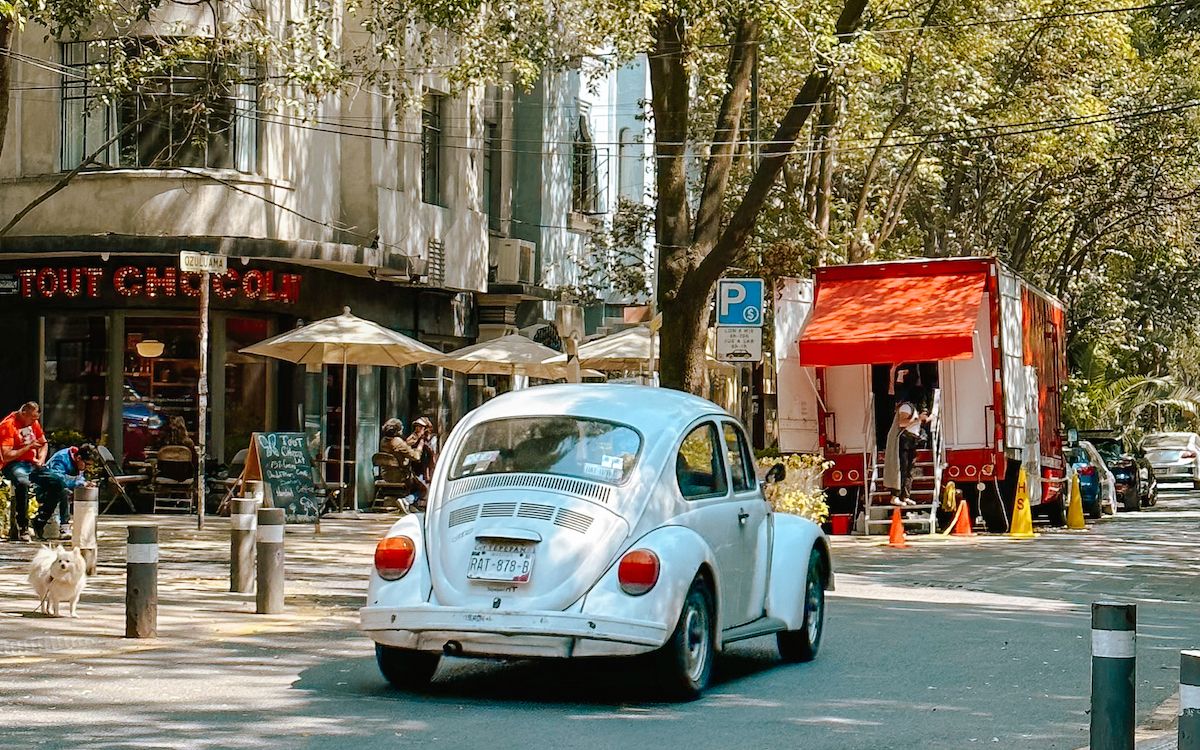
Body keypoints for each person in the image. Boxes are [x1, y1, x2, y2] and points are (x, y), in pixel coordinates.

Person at [29, 444, 98, 541]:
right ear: (78, 458)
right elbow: (58, 480)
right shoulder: (61, 459)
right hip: (44, 488)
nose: (87, 468)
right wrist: (80, 483)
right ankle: (64, 526)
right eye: (86, 464)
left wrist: (85, 484)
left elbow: (79, 479)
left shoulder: (78, 462)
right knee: (63, 491)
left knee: (67, 491)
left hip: (59, 489)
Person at [0, 402, 48, 542]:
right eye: (32, 418)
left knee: (57, 482)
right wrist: (28, 447)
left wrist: (41, 459)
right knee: (22, 482)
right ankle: (23, 526)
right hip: (13, 464)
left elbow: (43, 443)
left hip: (32, 464)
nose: (34, 421)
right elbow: (6, 455)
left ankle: (40, 521)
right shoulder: (8, 425)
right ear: (23, 413)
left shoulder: (33, 423)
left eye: (36, 418)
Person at [883, 381, 928, 507]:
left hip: (912, 439)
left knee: (909, 470)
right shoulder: (906, 407)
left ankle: (905, 495)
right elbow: (902, 423)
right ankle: (895, 496)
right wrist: (918, 419)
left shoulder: (914, 409)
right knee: (901, 468)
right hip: (903, 439)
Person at [379, 418, 424, 512]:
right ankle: (407, 501)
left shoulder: (383, 441)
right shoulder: (398, 441)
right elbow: (416, 457)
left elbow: (399, 449)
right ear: (397, 430)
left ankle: (410, 505)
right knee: (422, 487)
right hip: (400, 476)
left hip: (386, 475)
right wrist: (420, 446)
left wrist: (407, 443)